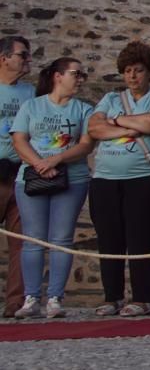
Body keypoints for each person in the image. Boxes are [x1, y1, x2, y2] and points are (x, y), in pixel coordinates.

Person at [85, 41, 150, 317]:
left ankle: (142, 297)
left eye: (138, 70)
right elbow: (94, 128)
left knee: (143, 238)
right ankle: (112, 296)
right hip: (105, 179)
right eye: (127, 71)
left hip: (143, 178)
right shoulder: (111, 99)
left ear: (149, 72)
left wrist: (115, 121)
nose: (132, 76)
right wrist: (129, 126)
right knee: (109, 239)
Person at [8, 57, 94, 318]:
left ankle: (55, 297)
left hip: (71, 178)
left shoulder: (84, 110)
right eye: (75, 73)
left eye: (82, 75)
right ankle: (31, 297)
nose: (80, 79)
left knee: (61, 239)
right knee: (33, 239)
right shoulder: (32, 106)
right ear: (58, 76)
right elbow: (19, 139)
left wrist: (57, 159)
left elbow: (86, 144)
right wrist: (40, 164)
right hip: (32, 178)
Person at [0, 35, 33, 317]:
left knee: (21, 242)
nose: (27, 60)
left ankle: (15, 303)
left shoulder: (30, 93)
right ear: (4, 58)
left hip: (18, 172)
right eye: (22, 55)